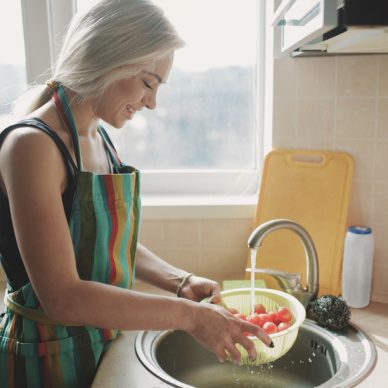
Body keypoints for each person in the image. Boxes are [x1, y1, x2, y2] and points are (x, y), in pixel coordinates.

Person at [0, 0, 272, 386]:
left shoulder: (96, 137)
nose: (152, 102)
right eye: (148, 82)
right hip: (45, 357)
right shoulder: (32, 146)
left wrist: (180, 281)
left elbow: (97, 241)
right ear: (108, 60)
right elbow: (62, 297)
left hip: (98, 339)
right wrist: (190, 316)